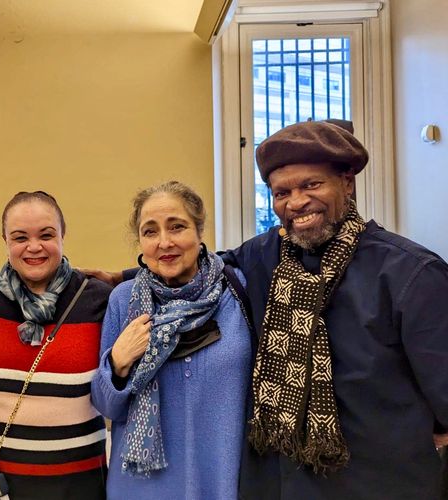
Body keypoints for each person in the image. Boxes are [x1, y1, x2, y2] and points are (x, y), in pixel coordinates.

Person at [86, 120, 448, 499]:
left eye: (311, 184)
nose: (296, 202)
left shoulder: (410, 274)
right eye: (281, 192)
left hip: (381, 480)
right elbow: (196, 264)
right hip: (287, 481)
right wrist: (118, 278)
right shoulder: (266, 258)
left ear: (347, 182)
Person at [90, 181, 253, 499]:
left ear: (199, 231)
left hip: (222, 481)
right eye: (150, 232)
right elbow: (106, 406)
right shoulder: (124, 301)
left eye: (177, 227)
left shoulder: (237, 291)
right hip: (143, 488)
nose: (164, 242)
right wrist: (118, 363)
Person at [0, 191, 112, 500]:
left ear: (63, 235)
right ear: (5, 240)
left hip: (77, 485)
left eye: (46, 235)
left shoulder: (97, 299)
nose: (34, 247)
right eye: (20, 237)